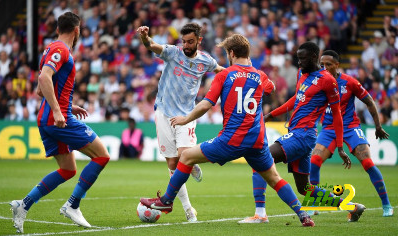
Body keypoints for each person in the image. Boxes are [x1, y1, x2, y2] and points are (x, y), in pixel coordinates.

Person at [140, 34, 315, 227]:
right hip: (257, 141)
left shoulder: (224, 75)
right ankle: (303, 215)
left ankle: (166, 201)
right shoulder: (259, 75)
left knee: (186, 157)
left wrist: (185, 119)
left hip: (232, 139)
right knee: (274, 178)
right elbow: (270, 88)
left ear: (231, 53)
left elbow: (206, 104)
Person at [240, 42, 365, 224]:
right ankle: (352, 207)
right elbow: (296, 98)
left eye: (302, 58)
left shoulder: (327, 80)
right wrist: (271, 114)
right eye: (298, 58)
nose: (299, 62)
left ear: (314, 57)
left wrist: (339, 146)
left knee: (260, 159)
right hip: (299, 134)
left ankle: (260, 214)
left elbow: (337, 114)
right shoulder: (302, 73)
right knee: (305, 188)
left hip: (304, 134)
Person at [9, 12, 110, 233]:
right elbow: (44, 79)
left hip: (50, 117)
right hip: (56, 119)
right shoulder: (61, 50)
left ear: (57, 29)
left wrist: (66, 105)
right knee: (102, 155)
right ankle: (72, 204)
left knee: (67, 169)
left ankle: (23, 205)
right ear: (77, 30)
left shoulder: (50, 49)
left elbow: (40, 88)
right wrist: (58, 110)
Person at [136, 23, 224, 222]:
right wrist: (144, 37)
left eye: (190, 42)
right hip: (164, 113)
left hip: (186, 116)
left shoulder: (205, 60)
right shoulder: (173, 53)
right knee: (173, 164)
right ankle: (188, 210)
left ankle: (191, 164)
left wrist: (241, 74)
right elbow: (152, 46)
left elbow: (221, 71)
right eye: (184, 41)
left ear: (199, 41)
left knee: (184, 156)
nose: (186, 45)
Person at [309, 50, 393, 217]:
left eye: (328, 65)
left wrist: (377, 126)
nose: (324, 68)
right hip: (328, 128)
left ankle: (386, 205)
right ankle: (314, 204)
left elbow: (369, 102)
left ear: (337, 65)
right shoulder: (318, 82)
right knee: (314, 161)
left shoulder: (349, 82)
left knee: (368, 163)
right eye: (322, 64)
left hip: (350, 127)